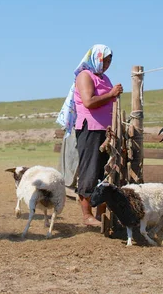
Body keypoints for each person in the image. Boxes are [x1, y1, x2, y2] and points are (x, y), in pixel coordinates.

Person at [57, 44, 123, 226]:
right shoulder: (84, 76)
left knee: (105, 170)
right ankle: (87, 215)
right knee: (90, 169)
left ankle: (102, 214)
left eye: (110, 61)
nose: (108, 64)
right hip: (90, 129)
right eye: (105, 60)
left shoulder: (104, 78)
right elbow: (88, 102)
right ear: (96, 58)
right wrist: (111, 94)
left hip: (106, 130)